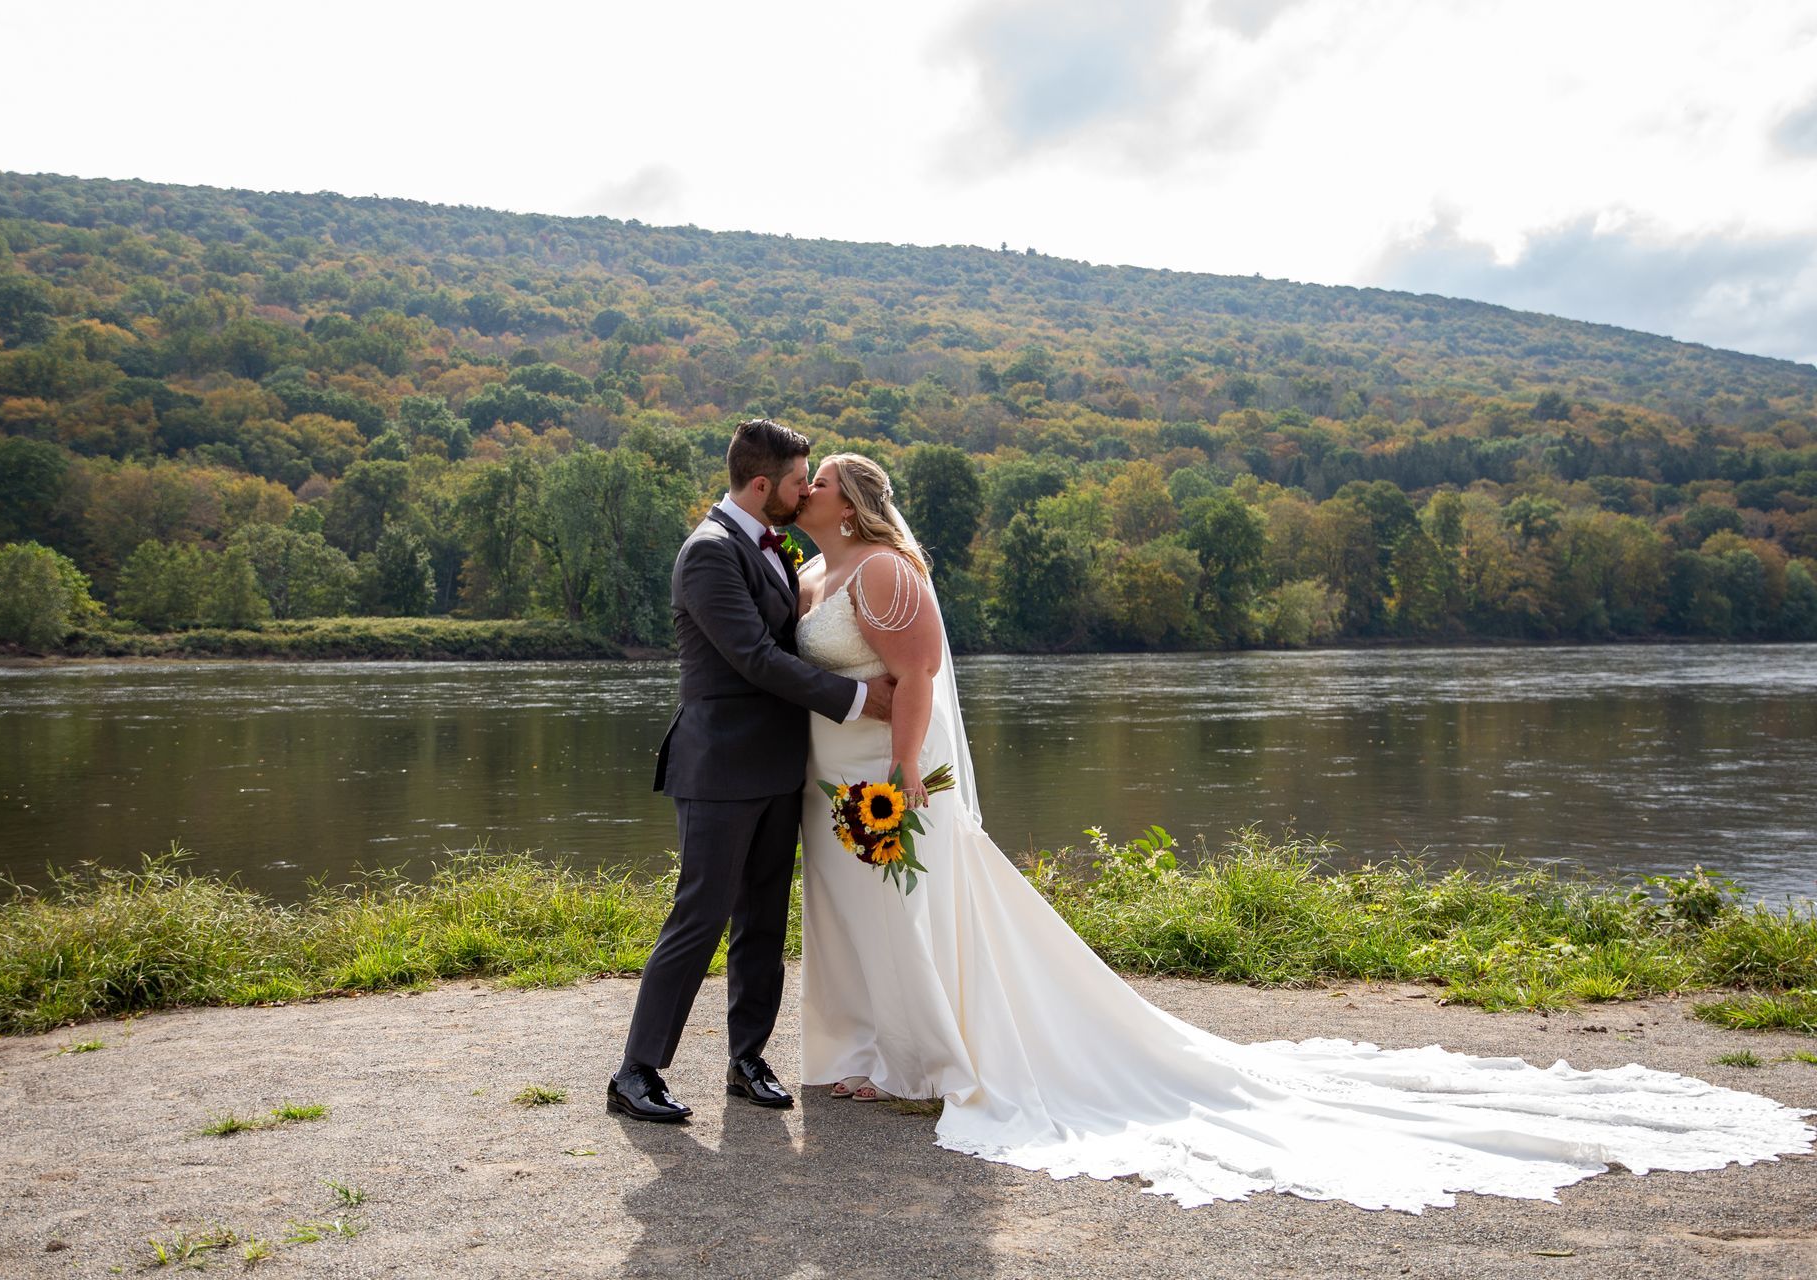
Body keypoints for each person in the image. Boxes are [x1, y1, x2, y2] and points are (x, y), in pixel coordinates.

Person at [789, 451, 1814, 1210]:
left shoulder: (884, 571)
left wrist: (904, 779)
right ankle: (876, 1050)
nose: (812, 488)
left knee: (913, 911)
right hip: (829, 777)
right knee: (863, 921)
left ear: (856, 498)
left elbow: (917, 678)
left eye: (824, 478)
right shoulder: (815, 573)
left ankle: (927, 1058)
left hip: (890, 784)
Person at [608, 421, 893, 1125]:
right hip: (718, 766)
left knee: (763, 919)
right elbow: (755, 660)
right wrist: (860, 699)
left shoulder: (773, 548)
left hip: (775, 767)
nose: (806, 492)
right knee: (699, 915)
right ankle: (636, 1071)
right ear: (763, 485)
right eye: (800, 481)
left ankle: (746, 1060)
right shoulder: (708, 553)